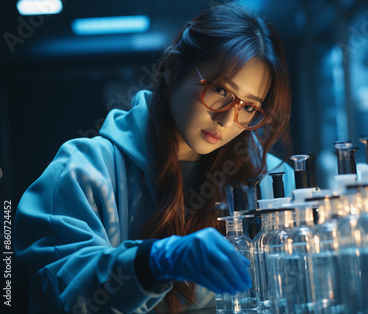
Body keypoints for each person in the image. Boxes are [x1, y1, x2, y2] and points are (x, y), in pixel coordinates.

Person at [15, 3, 294, 313]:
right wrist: (153, 261)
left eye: (249, 107)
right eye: (219, 89)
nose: (228, 120)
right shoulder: (82, 171)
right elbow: (61, 295)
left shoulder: (269, 182)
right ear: (173, 68)